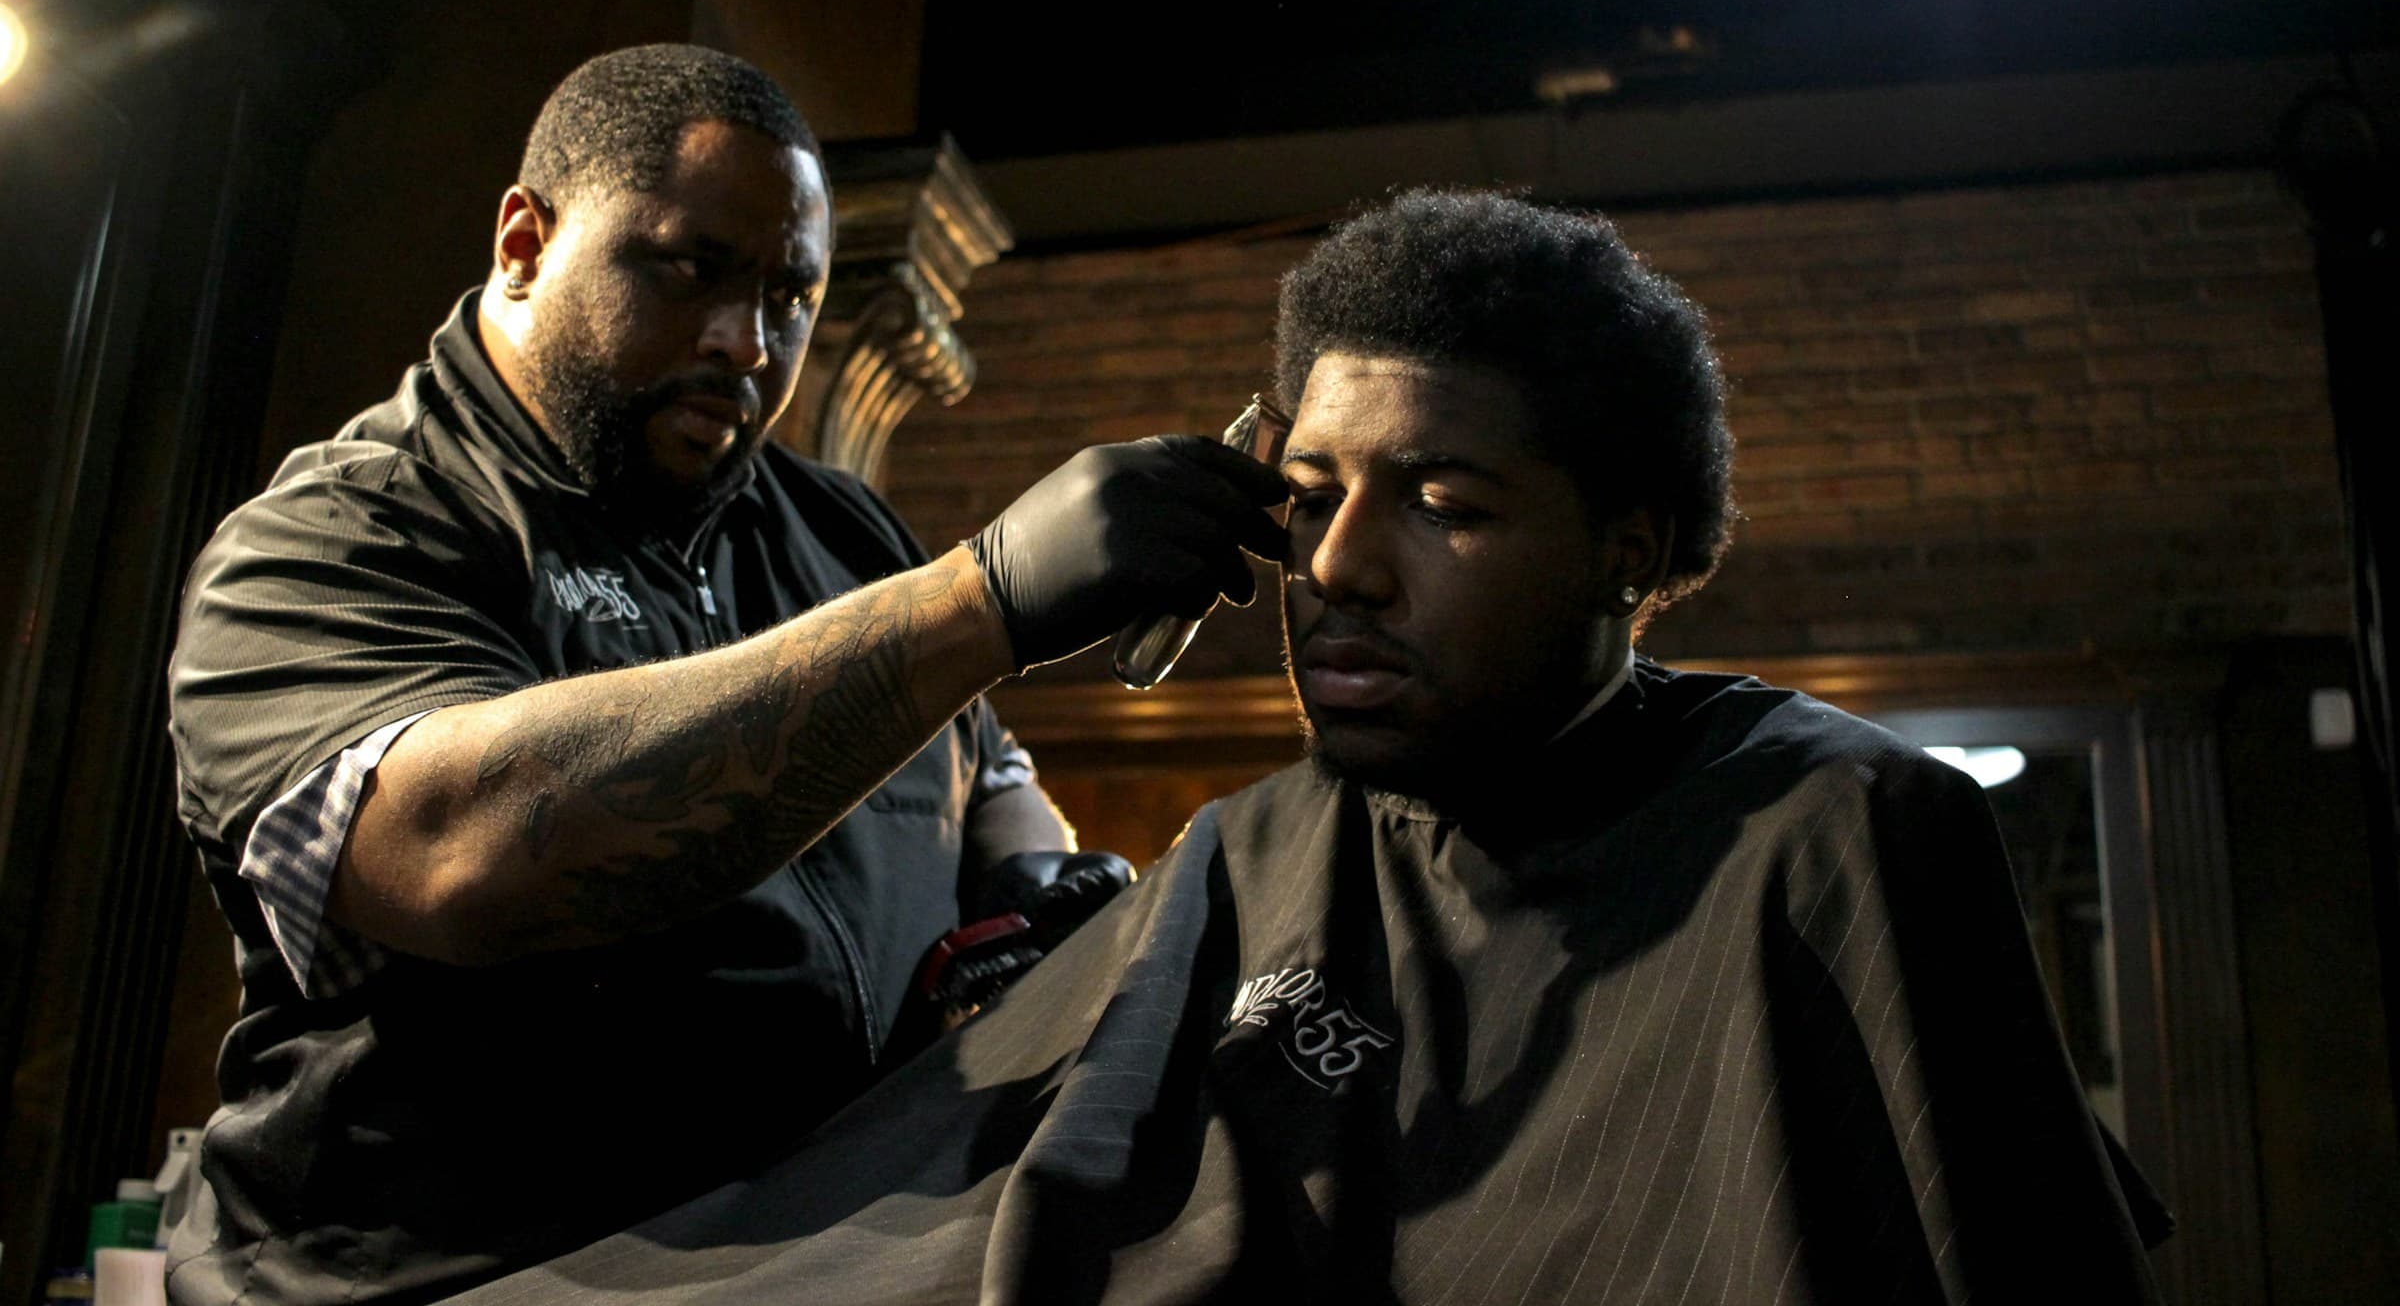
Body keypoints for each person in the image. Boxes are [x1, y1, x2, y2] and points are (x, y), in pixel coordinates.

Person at [448, 187, 2172, 1306]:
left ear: (1638, 550)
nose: (1339, 571)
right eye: (1314, 495)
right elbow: (909, 1223)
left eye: (1445, 504)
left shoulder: (1843, 836)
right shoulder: (1252, 856)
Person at [163, 44, 1289, 1306]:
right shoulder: (345, 534)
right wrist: (982, 600)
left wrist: (1033, 878)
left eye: (790, 296)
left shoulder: (840, 532)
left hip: (802, 1261)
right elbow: (464, 848)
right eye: (691, 268)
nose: (745, 343)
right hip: (453, 1279)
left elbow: (981, 772)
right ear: (525, 241)